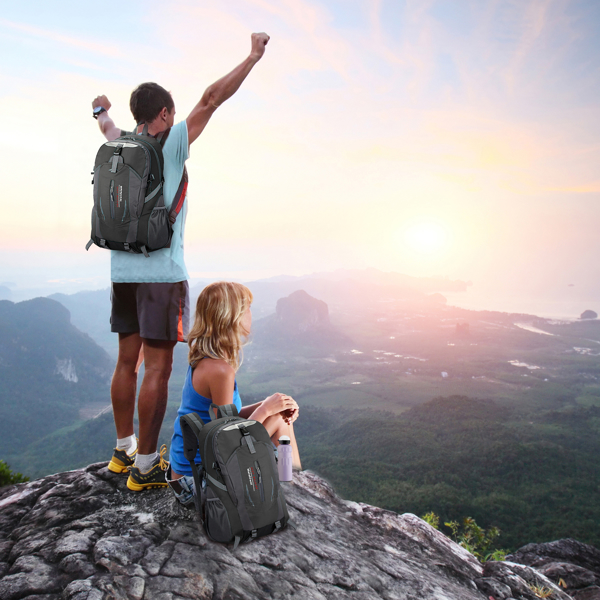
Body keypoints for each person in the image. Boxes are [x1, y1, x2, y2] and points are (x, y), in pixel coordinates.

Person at [92, 32, 271, 491]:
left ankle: (122, 449)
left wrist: (101, 110)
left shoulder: (120, 143)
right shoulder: (170, 142)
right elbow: (213, 98)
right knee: (157, 368)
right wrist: (252, 55)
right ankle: (147, 466)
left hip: (121, 271)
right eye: (172, 113)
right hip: (161, 276)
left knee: (125, 362)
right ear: (166, 113)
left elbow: (104, 125)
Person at [167, 281, 302, 506]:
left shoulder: (205, 358)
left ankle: (292, 484)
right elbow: (228, 443)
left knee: (278, 415)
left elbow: (226, 418)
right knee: (280, 422)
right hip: (198, 484)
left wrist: (271, 404)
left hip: (185, 477)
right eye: (247, 308)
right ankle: (295, 487)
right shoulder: (221, 371)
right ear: (231, 317)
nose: (251, 313)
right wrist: (266, 409)